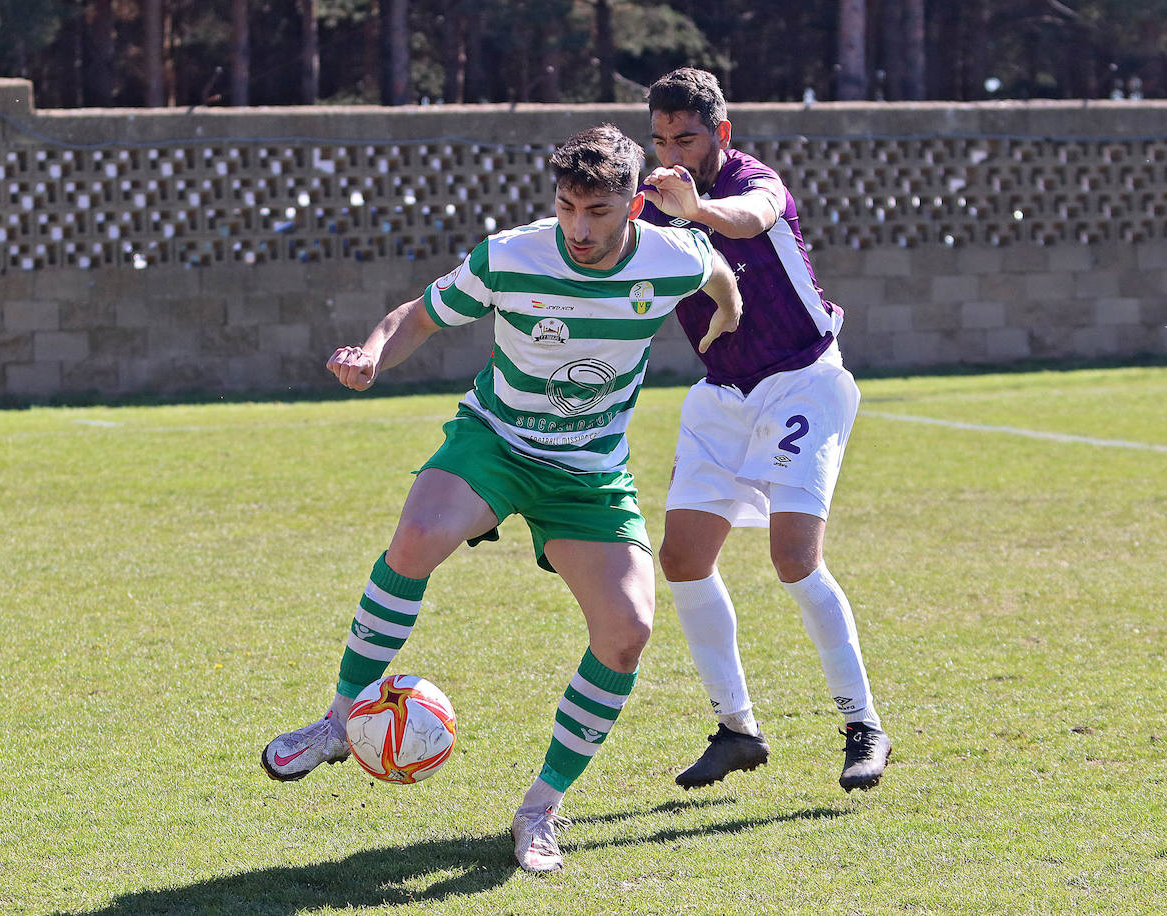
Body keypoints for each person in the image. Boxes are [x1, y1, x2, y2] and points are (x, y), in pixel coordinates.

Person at [261, 124, 743, 873]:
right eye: (566, 208)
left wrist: (731, 308)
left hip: (587, 472)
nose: (578, 230)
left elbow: (716, 272)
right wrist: (372, 353)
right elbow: (417, 314)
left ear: (634, 206)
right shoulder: (511, 254)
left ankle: (539, 810)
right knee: (416, 538)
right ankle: (336, 721)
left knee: (627, 632)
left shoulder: (670, 255)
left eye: (598, 214)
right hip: (496, 441)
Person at [637, 68, 892, 793]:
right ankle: (738, 730)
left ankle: (863, 724)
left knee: (792, 557)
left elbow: (750, 217)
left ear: (720, 133)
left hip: (804, 379)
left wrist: (697, 210)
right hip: (722, 395)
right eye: (659, 139)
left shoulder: (756, 181)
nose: (671, 153)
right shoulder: (653, 208)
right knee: (683, 557)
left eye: (685, 137)